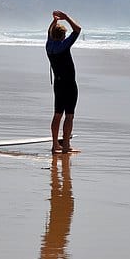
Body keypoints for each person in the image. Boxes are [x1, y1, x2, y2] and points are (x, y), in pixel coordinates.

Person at [46, 10, 81, 153]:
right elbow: (78, 30)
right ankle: (65, 146)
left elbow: (49, 33)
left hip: (58, 85)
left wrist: (54, 22)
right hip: (69, 85)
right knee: (70, 115)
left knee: (57, 114)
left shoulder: (49, 46)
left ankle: (55, 145)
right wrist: (66, 17)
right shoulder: (63, 46)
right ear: (62, 37)